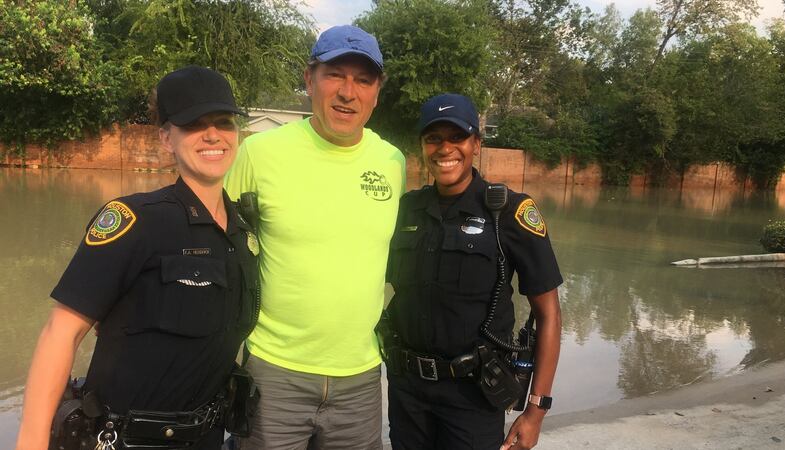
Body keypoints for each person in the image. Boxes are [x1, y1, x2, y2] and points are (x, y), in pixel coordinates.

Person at [15, 66, 259, 450]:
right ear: (166, 138)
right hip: (124, 440)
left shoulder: (242, 232)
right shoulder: (136, 220)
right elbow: (61, 332)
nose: (213, 134)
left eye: (223, 122)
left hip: (208, 438)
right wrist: (30, 442)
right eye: (194, 124)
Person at [224, 25, 405, 449]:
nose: (348, 92)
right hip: (273, 370)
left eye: (363, 80)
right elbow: (213, 243)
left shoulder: (392, 161)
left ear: (377, 91)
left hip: (360, 377)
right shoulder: (259, 153)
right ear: (309, 80)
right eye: (335, 75)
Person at [382, 93, 562, 450]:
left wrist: (535, 410)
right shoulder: (405, 210)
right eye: (434, 138)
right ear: (422, 145)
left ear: (476, 144)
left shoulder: (510, 212)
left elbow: (550, 313)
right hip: (407, 394)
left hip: (474, 397)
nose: (445, 148)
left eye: (457, 137)